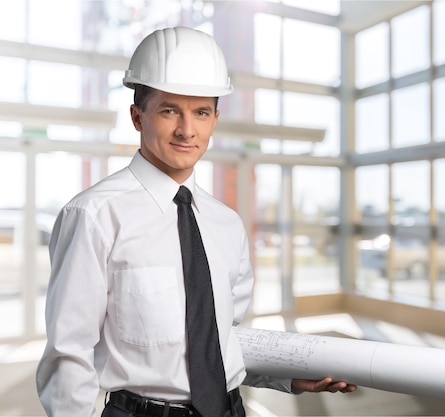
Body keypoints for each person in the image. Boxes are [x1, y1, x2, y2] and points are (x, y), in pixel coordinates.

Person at [36, 26, 356, 417]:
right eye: (170, 110)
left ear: (215, 119)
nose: (187, 130)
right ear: (137, 117)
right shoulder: (94, 216)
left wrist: (286, 374)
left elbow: (221, 337)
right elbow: (69, 356)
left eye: (201, 112)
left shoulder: (226, 224)